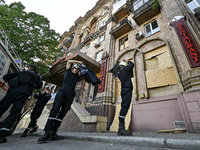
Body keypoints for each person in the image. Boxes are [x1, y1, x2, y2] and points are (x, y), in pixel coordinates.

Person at [37, 60, 83, 143]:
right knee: (55, 110)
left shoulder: (77, 76)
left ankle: (53, 133)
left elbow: (84, 72)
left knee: (63, 112)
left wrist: (82, 66)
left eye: (77, 69)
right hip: (62, 91)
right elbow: (69, 61)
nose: (76, 69)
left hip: (71, 93)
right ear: (72, 68)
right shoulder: (68, 72)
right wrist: (78, 62)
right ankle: (46, 133)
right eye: (75, 68)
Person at [0, 64, 43, 143]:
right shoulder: (36, 76)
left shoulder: (21, 72)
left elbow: (5, 77)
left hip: (12, 92)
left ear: (29, 68)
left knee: (1, 108)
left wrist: (11, 83)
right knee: (14, 113)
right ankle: (2, 135)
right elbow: (39, 85)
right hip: (23, 95)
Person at [109, 60, 134, 136]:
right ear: (124, 66)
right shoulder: (124, 69)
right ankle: (121, 129)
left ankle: (121, 128)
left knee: (124, 107)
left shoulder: (120, 72)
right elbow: (132, 64)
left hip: (124, 90)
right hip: (127, 90)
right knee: (124, 108)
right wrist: (128, 61)